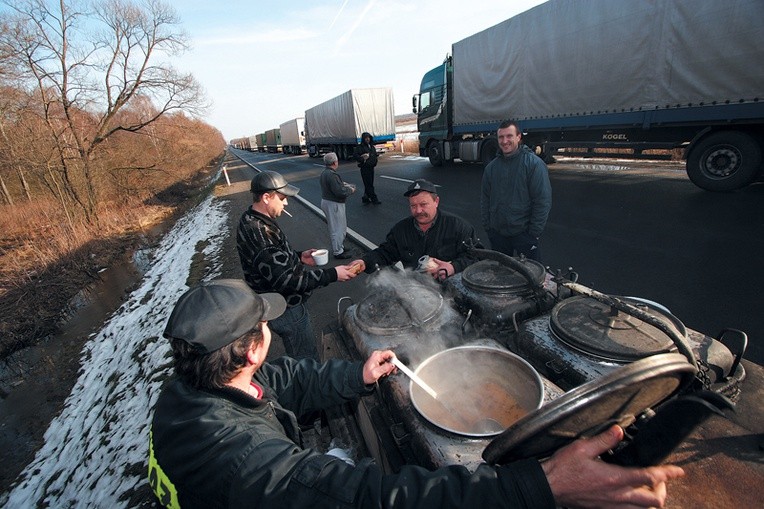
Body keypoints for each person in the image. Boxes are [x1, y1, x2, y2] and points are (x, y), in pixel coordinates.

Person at [148, 279, 685, 509]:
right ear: (249, 352)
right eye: (264, 325)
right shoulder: (243, 458)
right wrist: (538, 486)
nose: (271, 328)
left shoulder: (196, 385)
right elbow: (367, 497)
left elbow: (283, 382)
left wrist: (355, 377)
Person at [236, 170, 359, 360]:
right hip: (286, 308)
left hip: (280, 302)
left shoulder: (251, 218)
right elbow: (287, 280)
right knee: (305, 359)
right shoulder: (260, 232)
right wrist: (333, 274)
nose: (286, 203)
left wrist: (299, 257)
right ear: (267, 197)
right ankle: (309, 388)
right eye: (282, 198)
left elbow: (271, 261)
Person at [353, 179, 480, 280]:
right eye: (413, 206)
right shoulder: (401, 230)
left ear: (436, 201)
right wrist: (364, 262)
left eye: (423, 204)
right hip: (417, 295)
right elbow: (385, 253)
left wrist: (453, 267)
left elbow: (477, 256)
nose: (418, 211)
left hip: (453, 293)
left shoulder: (458, 227)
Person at [481, 120, 552, 262]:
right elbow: (485, 199)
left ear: (518, 137)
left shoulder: (533, 164)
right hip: (498, 235)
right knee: (500, 276)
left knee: (530, 277)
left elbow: (542, 200)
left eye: (509, 136)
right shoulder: (491, 168)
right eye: (501, 137)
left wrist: (533, 233)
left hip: (524, 235)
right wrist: (489, 227)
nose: (505, 141)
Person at [320, 152, 356, 260]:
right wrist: (350, 190)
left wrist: (341, 184)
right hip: (333, 203)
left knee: (338, 226)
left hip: (328, 201)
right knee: (337, 228)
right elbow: (339, 192)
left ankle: (340, 246)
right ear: (335, 162)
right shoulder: (332, 175)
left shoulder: (325, 173)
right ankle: (338, 252)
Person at [353, 131, 380, 204]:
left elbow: (374, 155)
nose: (367, 139)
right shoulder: (360, 147)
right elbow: (355, 155)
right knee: (369, 184)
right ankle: (374, 199)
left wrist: (375, 161)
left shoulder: (372, 147)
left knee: (369, 183)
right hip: (364, 168)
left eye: (368, 137)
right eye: (366, 138)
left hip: (371, 167)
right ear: (363, 139)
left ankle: (365, 198)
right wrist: (362, 159)